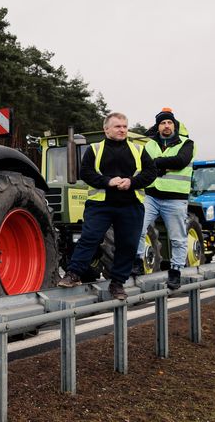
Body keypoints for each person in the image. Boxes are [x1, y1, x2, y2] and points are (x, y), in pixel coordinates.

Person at [58, 112, 157, 300]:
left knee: (127, 245)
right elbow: (85, 173)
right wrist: (108, 182)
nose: (122, 130)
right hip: (100, 205)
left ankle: (117, 283)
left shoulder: (138, 150)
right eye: (118, 126)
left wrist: (132, 182)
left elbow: (151, 172)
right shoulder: (94, 149)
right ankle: (73, 274)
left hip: (131, 205)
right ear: (106, 129)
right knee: (89, 238)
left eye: (125, 126)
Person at [133, 108, 195, 290]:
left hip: (175, 199)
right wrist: (162, 164)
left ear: (174, 125)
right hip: (151, 196)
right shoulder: (149, 145)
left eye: (169, 123)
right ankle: (137, 262)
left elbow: (180, 161)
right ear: (158, 126)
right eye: (163, 123)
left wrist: (156, 162)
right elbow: (144, 165)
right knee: (137, 228)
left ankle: (175, 272)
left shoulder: (187, 143)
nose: (166, 126)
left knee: (178, 239)